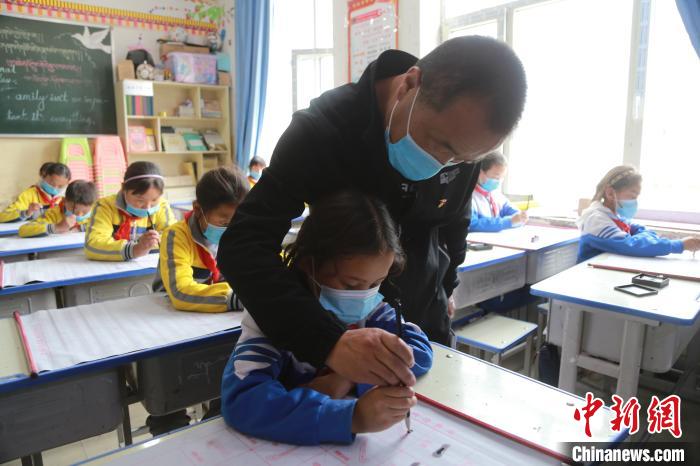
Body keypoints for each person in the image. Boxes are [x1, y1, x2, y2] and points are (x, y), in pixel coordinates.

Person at [218, 36, 527, 388]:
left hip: (422, 326)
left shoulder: (462, 142)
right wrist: (328, 343)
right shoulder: (323, 131)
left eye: (462, 159)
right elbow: (244, 245)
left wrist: (447, 286)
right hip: (335, 330)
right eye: (440, 145)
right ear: (409, 84)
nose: (444, 164)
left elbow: (455, 223)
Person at [221, 191, 432, 445]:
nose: (362, 296)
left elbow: (419, 349)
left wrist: (348, 377)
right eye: (351, 284)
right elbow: (243, 401)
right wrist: (353, 418)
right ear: (309, 264)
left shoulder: (370, 308)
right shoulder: (272, 320)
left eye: (376, 284)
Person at [154, 167, 248, 312]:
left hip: (218, 310)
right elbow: (180, 292)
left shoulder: (241, 235)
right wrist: (240, 299)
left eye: (238, 222)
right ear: (198, 209)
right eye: (224, 223)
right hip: (170, 312)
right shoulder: (176, 236)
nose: (232, 231)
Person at [577, 166, 700, 262]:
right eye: (632, 196)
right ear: (610, 193)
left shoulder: (615, 216)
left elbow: (645, 231)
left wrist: (641, 240)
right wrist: (679, 245)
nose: (635, 202)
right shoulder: (595, 219)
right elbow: (631, 245)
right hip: (590, 276)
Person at [85, 161, 174, 261]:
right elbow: (92, 245)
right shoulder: (105, 206)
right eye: (140, 200)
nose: (147, 207)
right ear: (124, 188)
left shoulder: (162, 206)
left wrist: (149, 244)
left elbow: (174, 238)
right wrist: (135, 249)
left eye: (154, 200)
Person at [469, 151, 527, 232]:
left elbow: (511, 211)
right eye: (496, 177)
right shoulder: (469, 197)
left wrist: (520, 217)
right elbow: (473, 224)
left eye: (502, 177)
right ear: (480, 172)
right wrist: (508, 222)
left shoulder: (496, 194)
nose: (499, 181)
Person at [19, 180, 97, 237]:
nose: (79, 215)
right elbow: (23, 230)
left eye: (85, 212)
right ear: (64, 201)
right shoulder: (53, 214)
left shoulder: (97, 213)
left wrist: (80, 228)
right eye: (74, 209)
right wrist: (56, 227)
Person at [0, 162, 71, 223]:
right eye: (52, 183)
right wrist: (27, 212)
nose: (55, 188)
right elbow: (3, 216)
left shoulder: (65, 198)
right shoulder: (29, 194)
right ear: (44, 176)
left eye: (60, 186)